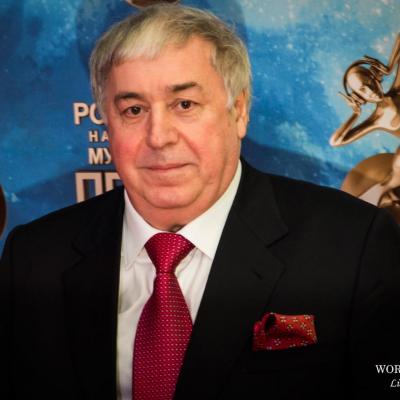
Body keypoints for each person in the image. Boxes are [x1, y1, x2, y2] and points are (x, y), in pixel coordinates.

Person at [1, 4, 400, 400]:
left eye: (185, 105)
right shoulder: (34, 258)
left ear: (238, 111)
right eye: (134, 110)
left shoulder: (352, 245)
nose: (159, 137)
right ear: (106, 124)